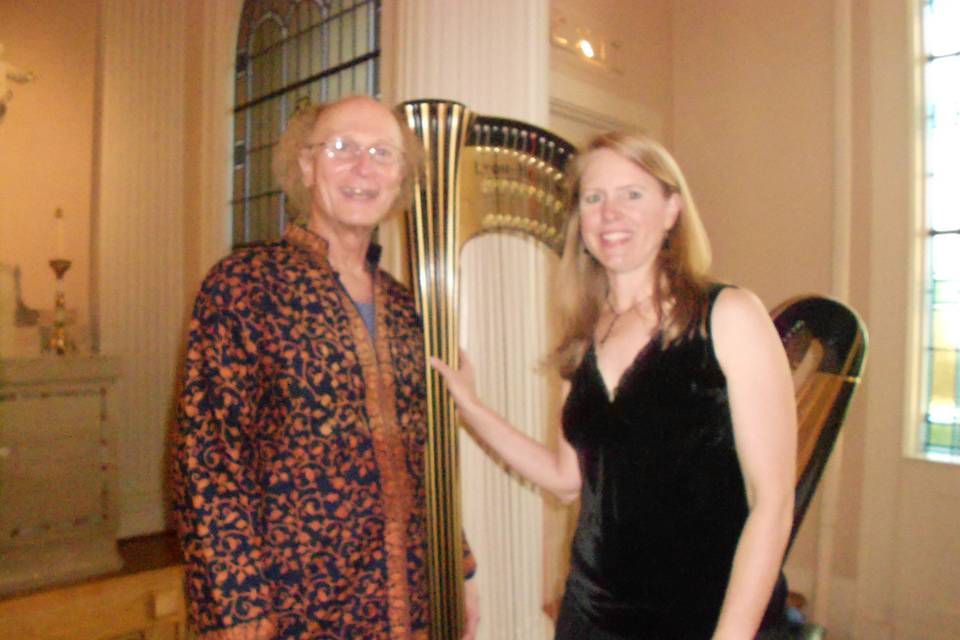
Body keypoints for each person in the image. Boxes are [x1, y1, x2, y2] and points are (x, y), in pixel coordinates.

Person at [431, 131, 797, 639]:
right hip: (592, 615)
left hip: (703, 615)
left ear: (671, 209)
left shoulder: (729, 316)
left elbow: (773, 501)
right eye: (593, 198)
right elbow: (564, 477)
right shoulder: (585, 336)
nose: (610, 213)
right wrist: (470, 406)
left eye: (633, 194)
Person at [172, 95, 479, 640]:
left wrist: (461, 568)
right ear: (307, 166)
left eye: (383, 153)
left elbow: (424, 454)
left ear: (400, 178)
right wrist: (238, 611)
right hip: (294, 606)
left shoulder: (411, 310)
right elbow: (207, 458)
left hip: (412, 594)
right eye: (342, 148)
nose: (364, 167)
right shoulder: (243, 284)